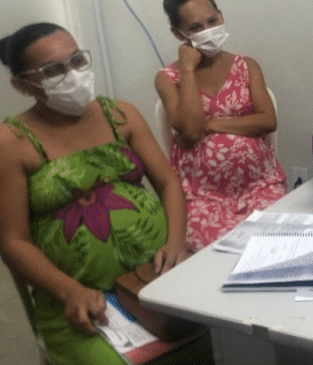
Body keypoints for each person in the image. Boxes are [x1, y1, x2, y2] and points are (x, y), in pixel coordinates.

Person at [0, 23, 190, 364]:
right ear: (22, 85)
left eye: (77, 60)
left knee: (227, 341)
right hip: (80, 298)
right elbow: (13, 241)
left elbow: (167, 182)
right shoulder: (12, 143)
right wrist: (69, 291)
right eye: (53, 70)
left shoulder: (121, 115)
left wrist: (176, 242)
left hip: (154, 278)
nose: (72, 75)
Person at [156, 0, 287, 251]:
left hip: (260, 187)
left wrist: (212, 124)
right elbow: (191, 131)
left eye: (212, 21)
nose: (208, 30)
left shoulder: (246, 66)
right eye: (195, 27)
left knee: (273, 246)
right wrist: (188, 70)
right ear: (178, 34)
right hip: (201, 198)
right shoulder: (168, 79)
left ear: (221, 16)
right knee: (215, 257)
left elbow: (267, 120)